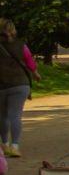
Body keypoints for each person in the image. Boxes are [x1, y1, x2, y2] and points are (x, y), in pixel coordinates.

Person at [0, 17, 33, 158]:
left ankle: (4, 145)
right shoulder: (21, 45)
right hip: (21, 84)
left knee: (2, 116)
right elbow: (30, 62)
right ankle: (15, 146)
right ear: (13, 30)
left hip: (1, 85)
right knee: (15, 115)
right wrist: (35, 73)